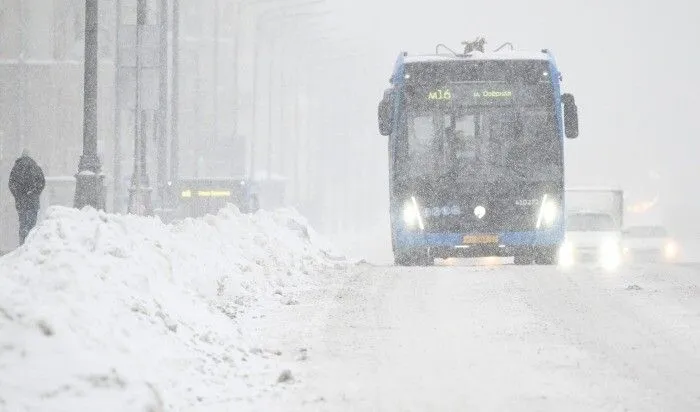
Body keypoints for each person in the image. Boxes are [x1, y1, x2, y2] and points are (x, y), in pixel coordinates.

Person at [8, 149, 45, 245]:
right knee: (32, 225)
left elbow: (11, 184)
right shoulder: (36, 167)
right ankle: (30, 245)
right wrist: (34, 193)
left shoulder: (16, 167)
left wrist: (19, 195)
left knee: (23, 223)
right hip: (33, 202)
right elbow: (42, 183)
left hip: (22, 202)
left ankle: (22, 245)